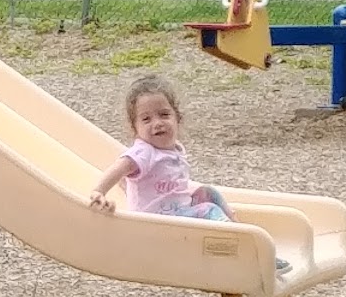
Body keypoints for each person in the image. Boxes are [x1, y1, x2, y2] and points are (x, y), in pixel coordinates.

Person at [88, 74, 291, 275]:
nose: (157, 123)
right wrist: (99, 191)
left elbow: (132, 180)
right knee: (209, 210)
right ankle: (246, 251)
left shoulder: (173, 148)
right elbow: (120, 168)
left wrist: (128, 187)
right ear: (135, 128)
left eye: (164, 115)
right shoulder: (144, 151)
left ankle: (240, 233)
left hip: (176, 212)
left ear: (178, 119)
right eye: (146, 119)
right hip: (155, 223)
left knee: (208, 192)